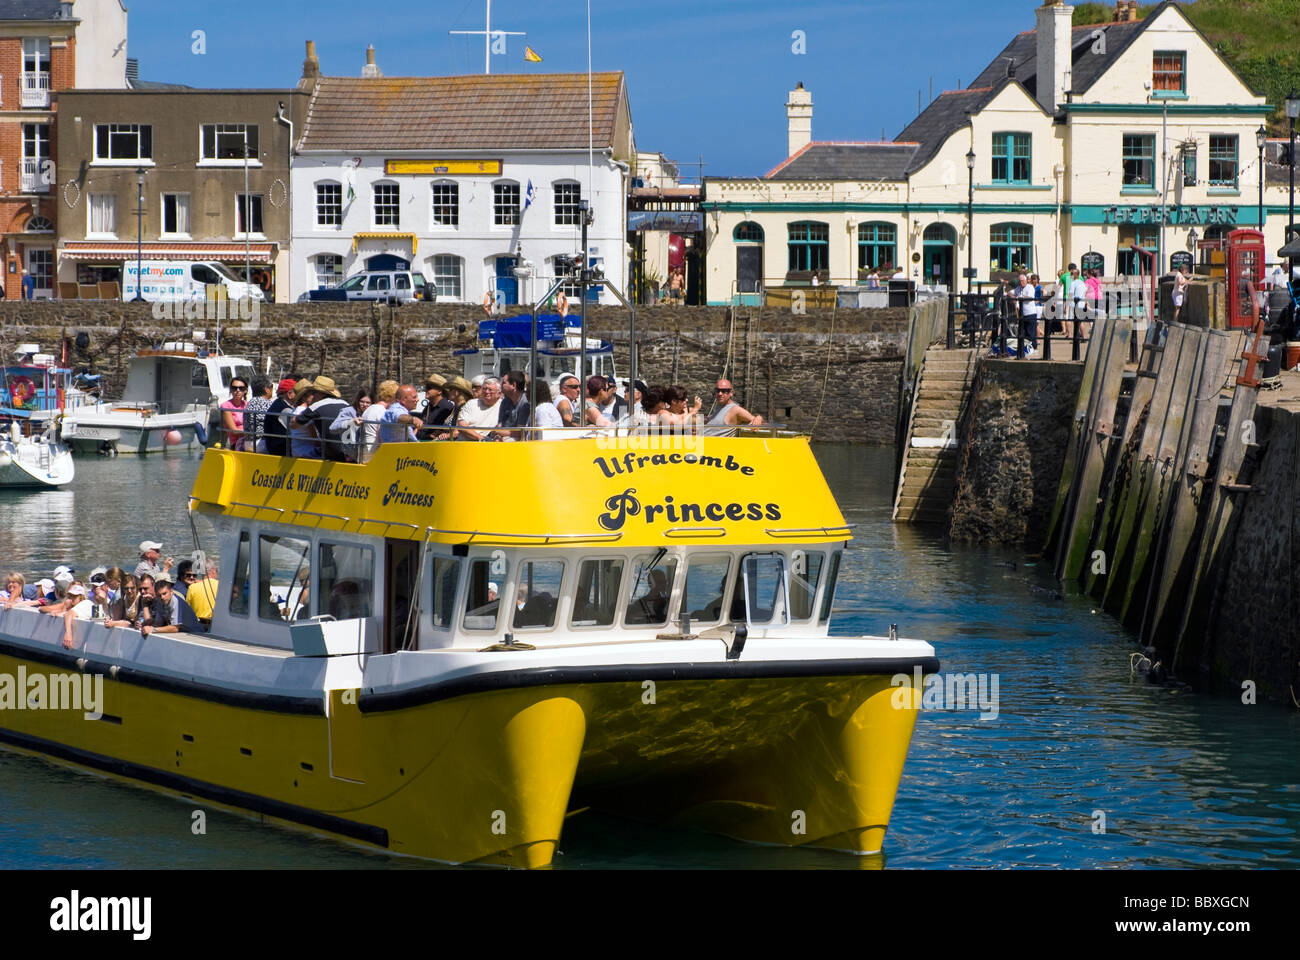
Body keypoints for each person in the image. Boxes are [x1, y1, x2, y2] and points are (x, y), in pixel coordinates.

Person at [358, 380, 396, 463]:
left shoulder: (370, 409)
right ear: (392, 397)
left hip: (364, 452)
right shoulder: (382, 411)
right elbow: (382, 435)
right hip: (374, 456)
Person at [455, 376, 503, 441]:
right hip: (466, 444)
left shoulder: (503, 405)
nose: (486, 392)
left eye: (490, 389)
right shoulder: (472, 403)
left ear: (499, 393)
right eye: (484, 389)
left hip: (489, 445)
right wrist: (480, 438)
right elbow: (461, 425)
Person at [262, 378, 297, 457]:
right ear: (289, 394)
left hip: (274, 447)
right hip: (281, 451)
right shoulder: (285, 410)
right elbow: (297, 430)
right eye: (297, 393)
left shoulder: (277, 403)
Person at [494, 370, 531, 441]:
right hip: (505, 436)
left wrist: (498, 432)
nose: (500, 385)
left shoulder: (525, 404)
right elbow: (500, 425)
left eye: (504, 382)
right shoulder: (505, 402)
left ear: (514, 385)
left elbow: (521, 432)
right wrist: (498, 434)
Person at [287, 380, 319, 457]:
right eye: (312, 394)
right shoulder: (304, 412)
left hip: (296, 450)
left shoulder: (295, 410)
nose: (314, 396)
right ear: (305, 397)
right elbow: (314, 438)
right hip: (307, 451)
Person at [242, 378, 274, 452]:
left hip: (247, 443)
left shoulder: (250, 403)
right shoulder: (268, 404)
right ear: (267, 389)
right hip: (261, 443)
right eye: (271, 387)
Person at [221, 376, 249, 450]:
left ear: (245, 390)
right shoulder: (226, 406)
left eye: (241, 388)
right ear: (230, 390)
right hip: (236, 443)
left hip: (249, 439)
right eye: (234, 388)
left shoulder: (247, 404)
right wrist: (252, 433)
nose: (238, 390)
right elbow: (234, 431)